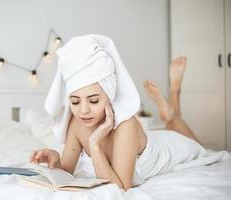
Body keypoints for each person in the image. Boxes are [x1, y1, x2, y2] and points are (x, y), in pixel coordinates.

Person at [29, 35, 206, 190]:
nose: (83, 110)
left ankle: (174, 94)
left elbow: (120, 187)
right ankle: (170, 115)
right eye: (75, 101)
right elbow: (67, 173)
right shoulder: (76, 123)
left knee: (198, 146)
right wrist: (55, 159)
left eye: (93, 100)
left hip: (170, 148)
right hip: (150, 138)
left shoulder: (125, 125)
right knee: (171, 125)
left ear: (109, 95)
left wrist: (95, 144)